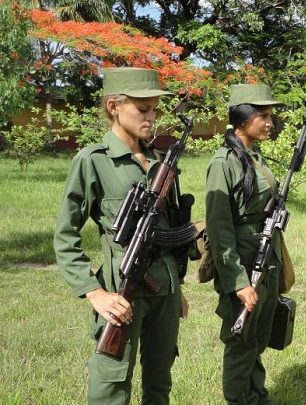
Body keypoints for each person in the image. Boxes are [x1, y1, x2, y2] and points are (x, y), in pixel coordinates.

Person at [54, 67, 190, 404]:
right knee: (111, 385)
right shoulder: (93, 161)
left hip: (165, 290)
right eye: (143, 109)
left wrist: (178, 288)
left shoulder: (160, 162)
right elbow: (65, 235)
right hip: (123, 293)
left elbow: (171, 228)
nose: (152, 117)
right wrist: (94, 293)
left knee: (160, 383)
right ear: (114, 106)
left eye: (155, 109)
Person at [205, 83, 284, 404]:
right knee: (241, 345)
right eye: (263, 116)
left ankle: (257, 397)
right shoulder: (223, 162)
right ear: (242, 118)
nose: (269, 123)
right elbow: (219, 229)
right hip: (243, 266)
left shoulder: (254, 156)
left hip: (266, 260)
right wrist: (238, 282)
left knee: (257, 340)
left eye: (271, 116)